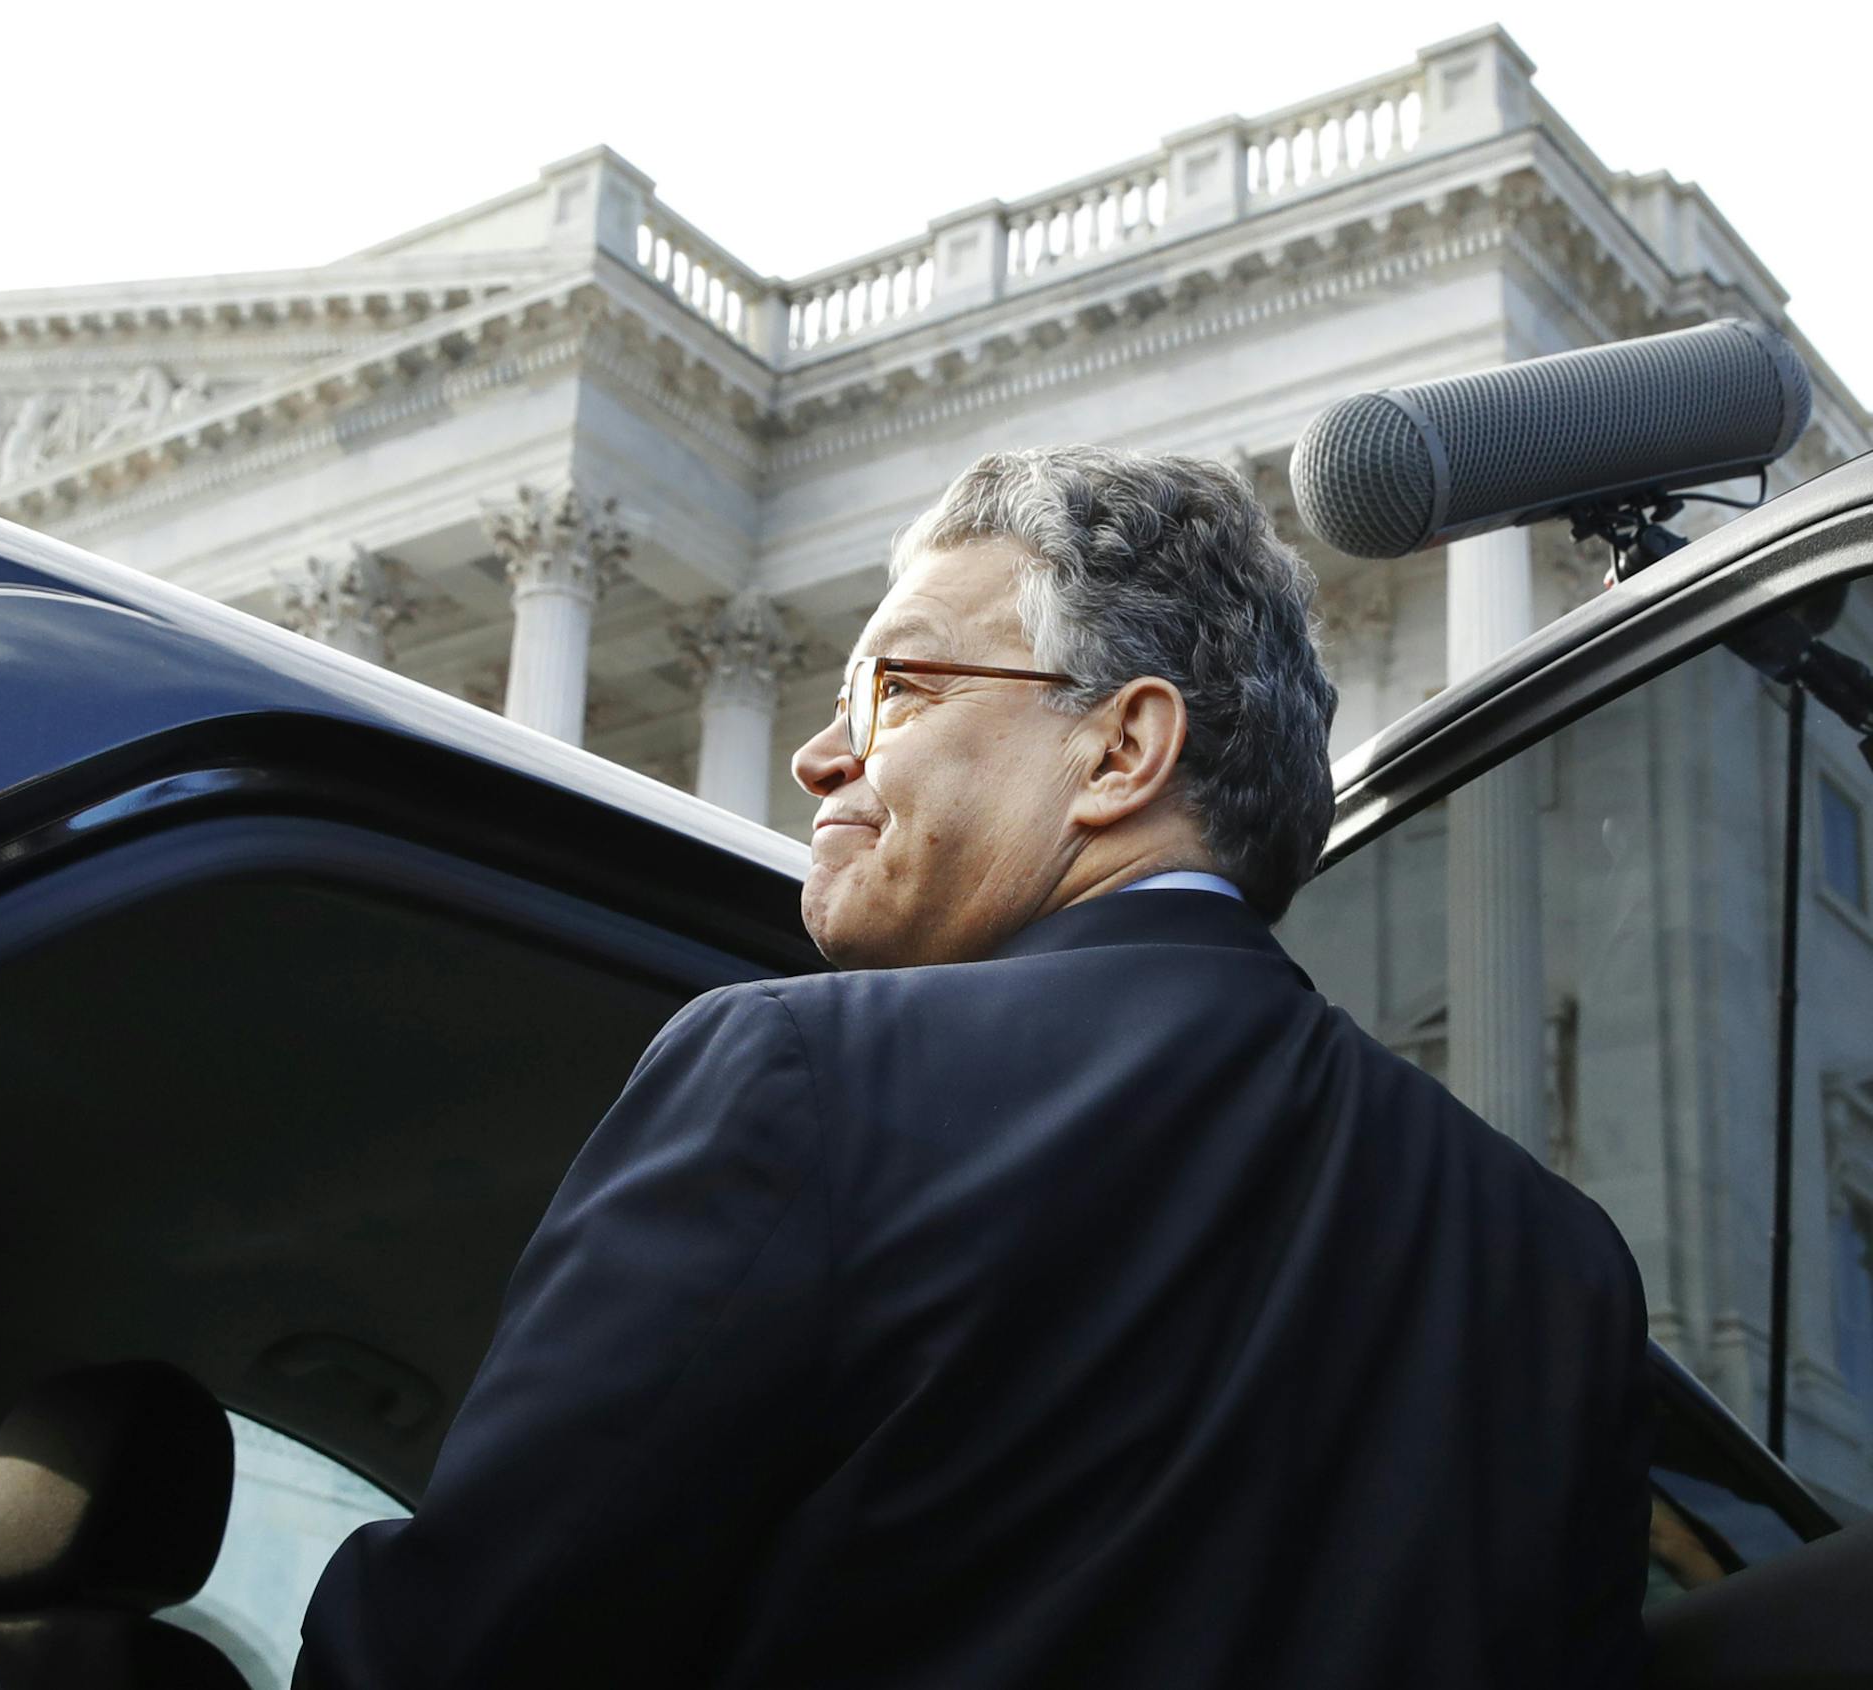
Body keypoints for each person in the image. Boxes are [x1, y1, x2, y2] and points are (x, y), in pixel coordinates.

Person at [294, 446, 1652, 1688]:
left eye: (898, 687)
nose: (821, 756)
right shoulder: (1562, 1271)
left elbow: (460, 1654)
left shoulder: (802, 1080)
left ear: (1121, 748)